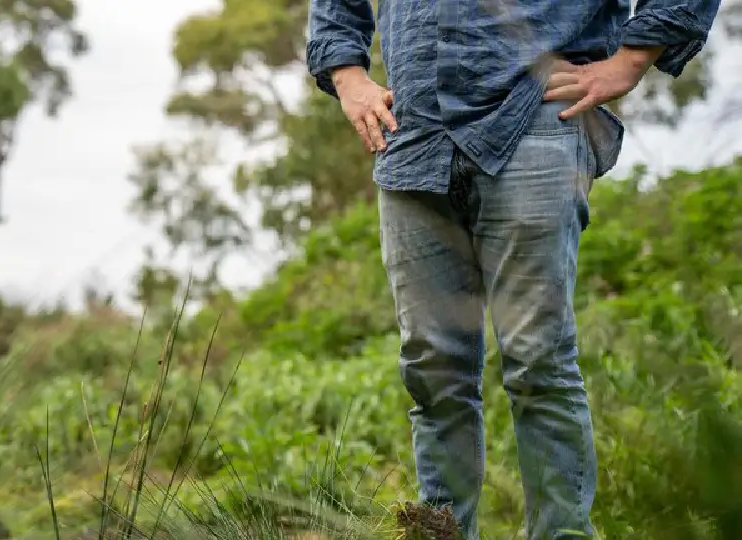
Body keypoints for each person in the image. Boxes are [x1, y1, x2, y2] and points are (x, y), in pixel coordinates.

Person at [306, 0, 720, 538]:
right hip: (413, 137)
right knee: (432, 368)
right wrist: (348, 76)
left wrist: (630, 60)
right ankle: (444, 531)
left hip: (535, 117)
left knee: (537, 360)